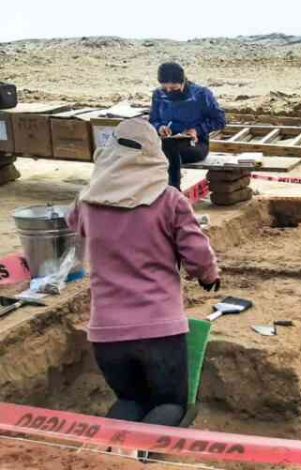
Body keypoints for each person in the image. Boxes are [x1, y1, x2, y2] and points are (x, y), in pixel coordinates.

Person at [67, 118, 220, 445]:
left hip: (106, 335)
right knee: (169, 404)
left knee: (130, 401)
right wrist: (208, 277)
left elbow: (75, 227)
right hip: (159, 332)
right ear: (154, 154)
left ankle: (104, 458)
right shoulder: (169, 200)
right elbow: (197, 253)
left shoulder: (86, 200)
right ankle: (144, 458)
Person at [149, 62, 226, 190]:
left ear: (183, 82)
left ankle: (173, 191)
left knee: (168, 151)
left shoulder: (201, 94)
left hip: (195, 144)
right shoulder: (158, 95)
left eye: (173, 89)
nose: (169, 92)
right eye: (165, 89)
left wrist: (197, 130)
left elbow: (220, 120)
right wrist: (160, 127)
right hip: (166, 141)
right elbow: (153, 120)